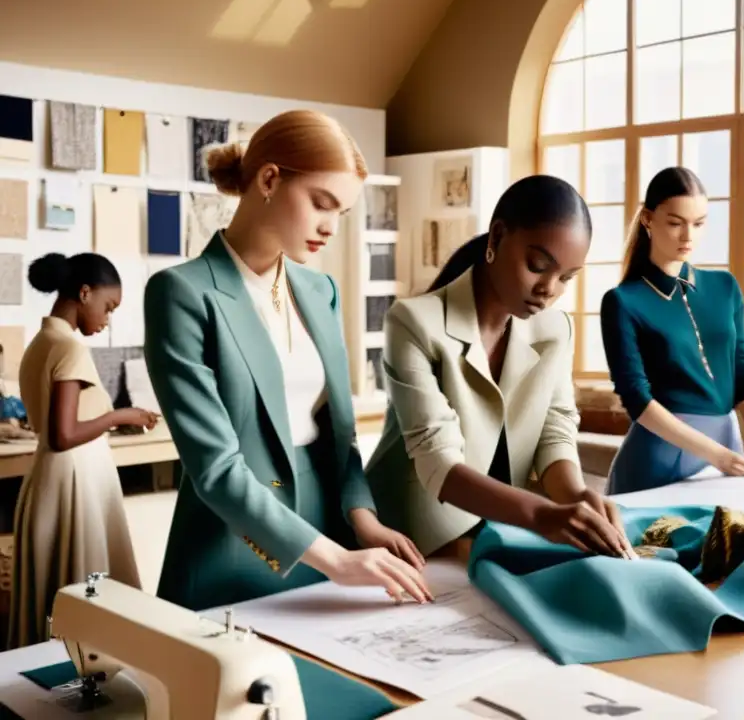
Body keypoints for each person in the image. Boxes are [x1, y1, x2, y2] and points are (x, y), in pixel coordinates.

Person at [143, 110, 430, 612]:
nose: (330, 227)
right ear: (269, 179)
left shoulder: (321, 291)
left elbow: (340, 436)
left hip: (331, 533)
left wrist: (362, 517)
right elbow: (213, 468)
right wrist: (336, 560)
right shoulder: (181, 293)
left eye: (342, 213)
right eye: (323, 204)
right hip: (230, 547)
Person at [365, 175, 633, 559]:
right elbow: (437, 462)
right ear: (496, 238)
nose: (549, 289)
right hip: (406, 537)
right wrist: (545, 515)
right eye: (538, 265)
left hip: (492, 531)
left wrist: (575, 495)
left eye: (566, 278)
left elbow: (553, 427)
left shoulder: (555, 328)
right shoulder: (412, 322)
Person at [600, 167, 744, 496]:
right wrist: (716, 454)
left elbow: (742, 370)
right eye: (675, 222)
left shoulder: (725, 287)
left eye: (698, 224)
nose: (688, 236)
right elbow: (636, 400)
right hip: (658, 457)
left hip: (727, 443)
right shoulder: (622, 302)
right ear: (648, 220)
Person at [8, 253, 158, 648]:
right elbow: (63, 434)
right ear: (85, 293)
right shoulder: (70, 350)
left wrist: (109, 417)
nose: (107, 319)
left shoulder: (41, 343)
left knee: (57, 592)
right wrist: (118, 414)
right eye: (107, 308)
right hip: (73, 483)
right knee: (84, 596)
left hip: (51, 480)